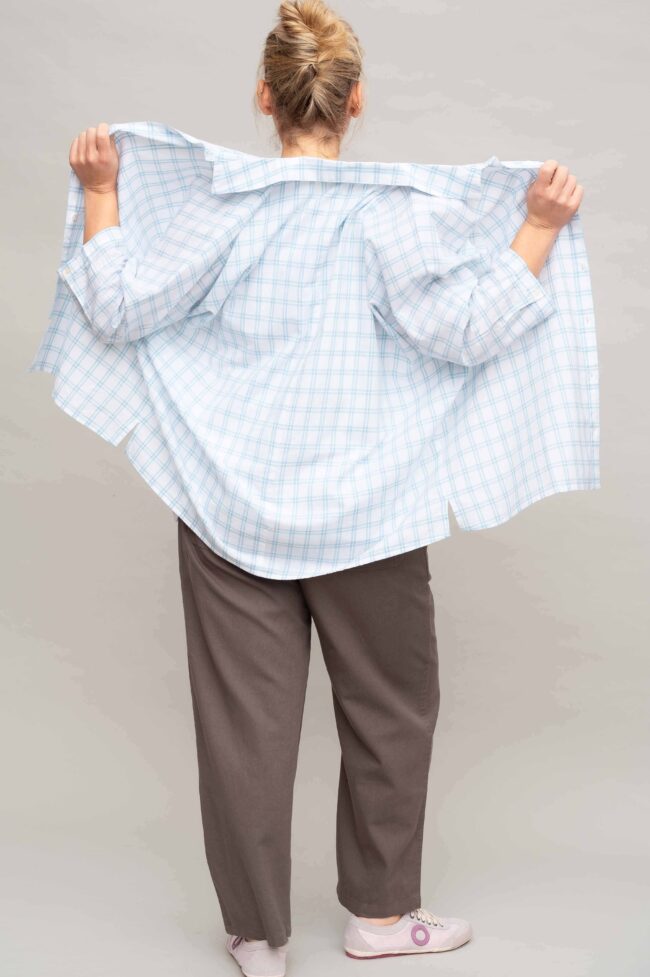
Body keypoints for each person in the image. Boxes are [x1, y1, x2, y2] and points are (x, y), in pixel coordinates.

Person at [61, 1, 583, 975]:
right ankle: (381, 915)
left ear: (265, 99)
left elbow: (119, 307)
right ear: (357, 102)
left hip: (229, 502)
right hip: (368, 508)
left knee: (244, 727)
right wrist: (539, 229)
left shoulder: (222, 208)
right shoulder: (396, 216)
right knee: (391, 709)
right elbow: (469, 332)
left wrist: (100, 192)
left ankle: (256, 935)